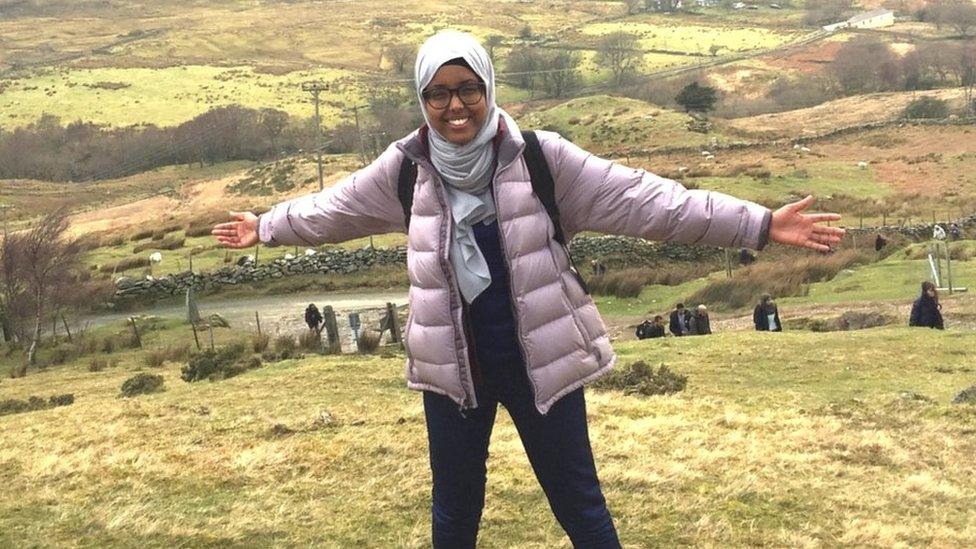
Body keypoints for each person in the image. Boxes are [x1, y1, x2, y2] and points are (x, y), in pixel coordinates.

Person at [211, 30, 843, 548]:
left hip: (544, 365)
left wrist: (758, 223)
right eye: (438, 94)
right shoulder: (406, 170)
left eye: (467, 90)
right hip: (453, 373)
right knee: (454, 516)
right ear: (421, 100)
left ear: (489, 89)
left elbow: (653, 202)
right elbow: (332, 209)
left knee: (581, 507)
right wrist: (265, 226)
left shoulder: (542, 159)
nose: (454, 107)